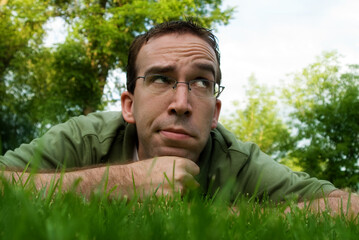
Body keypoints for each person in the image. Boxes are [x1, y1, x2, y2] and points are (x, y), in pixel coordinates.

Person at [0, 20, 358, 216]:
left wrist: (227, 217)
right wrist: (119, 183)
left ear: (215, 113)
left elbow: (349, 208)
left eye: (202, 81)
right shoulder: (85, 137)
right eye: (160, 79)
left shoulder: (237, 159)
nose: (182, 103)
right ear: (128, 105)